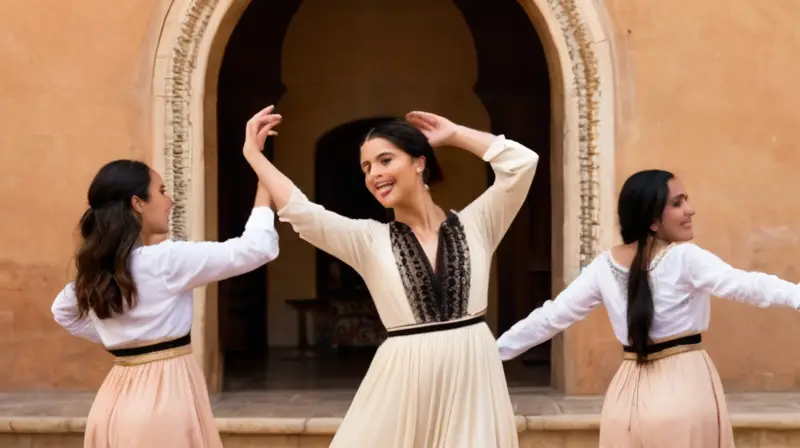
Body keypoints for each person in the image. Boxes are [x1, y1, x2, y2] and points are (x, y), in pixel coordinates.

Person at [241, 106, 539, 447]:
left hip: (473, 378)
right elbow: (302, 213)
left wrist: (456, 135)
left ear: (419, 162)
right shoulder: (368, 240)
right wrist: (253, 154)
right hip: (403, 384)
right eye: (366, 167)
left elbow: (521, 164)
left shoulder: (479, 224)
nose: (373, 174)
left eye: (385, 160)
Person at [496, 169, 800, 448]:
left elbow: (550, 318)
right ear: (653, 220)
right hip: (685, 393)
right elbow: (748, 285)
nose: (690, 210)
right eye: (678, 203)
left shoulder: (603, 266)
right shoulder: (685, 258)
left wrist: (492, 354)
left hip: (624, 401)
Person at [50, 108, 283, 448]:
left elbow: (62, 311)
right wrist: (264, 183)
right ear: (137, 203)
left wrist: (121, 336)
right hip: (163, 406)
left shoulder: (96, 270)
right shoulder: (165, 261)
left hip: (113, 402)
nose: (169, 199)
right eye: (161, 190)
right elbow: (255, 249)